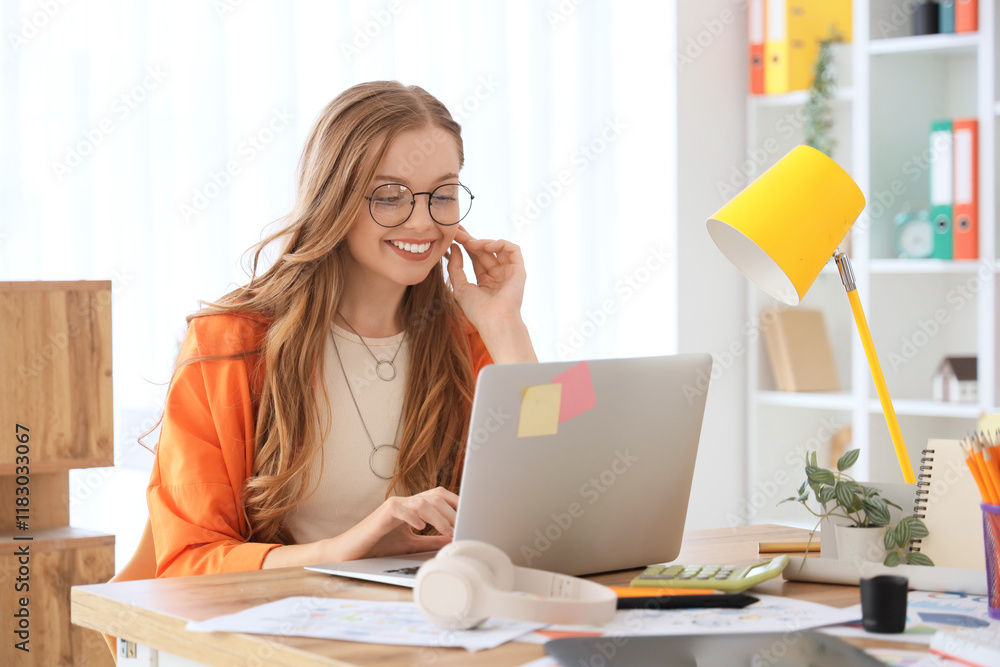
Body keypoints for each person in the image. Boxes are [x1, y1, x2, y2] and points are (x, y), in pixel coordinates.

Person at [146, 81, 536, 578]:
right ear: (334, 198)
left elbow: (556, 497)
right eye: (389, 196)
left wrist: (507, 327)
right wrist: (347, 549)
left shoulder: (472, 338)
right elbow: (188, 562)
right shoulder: (228, 343)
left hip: (434, 611)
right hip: (284, 617)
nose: (423, 222)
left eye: (443, 195)